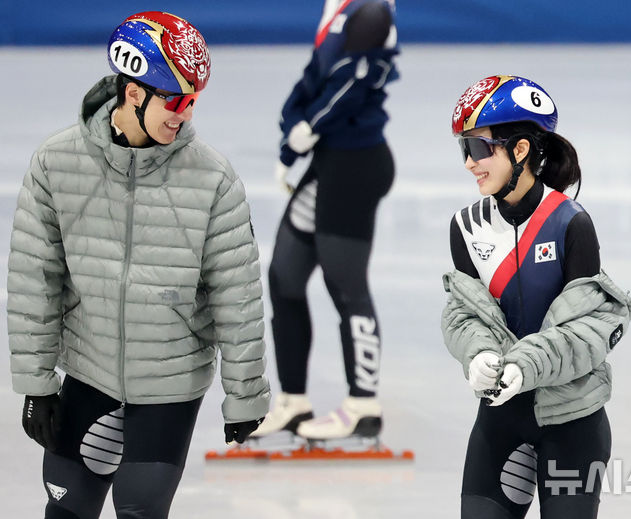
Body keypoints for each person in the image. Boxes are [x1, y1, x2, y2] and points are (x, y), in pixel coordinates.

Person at [7, 11, 269, 518]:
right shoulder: (56, 163)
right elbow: (33, 278)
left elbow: (237, 294)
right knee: (66, 508)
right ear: (133, 93)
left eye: (193, 102)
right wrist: (37, 383)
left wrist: (245, 395)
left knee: (141, 511)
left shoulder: (213, 179)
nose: (184, 115)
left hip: (170, 387)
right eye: (176, 101)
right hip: (87, 375)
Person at [441, 75, 631, 518]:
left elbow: (589, 331)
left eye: (477, 148)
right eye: (463, 149)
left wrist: (525, 365)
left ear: (520, 150)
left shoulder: (570, 223)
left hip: (572, 423)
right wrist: (477, 353)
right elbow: (464, 315)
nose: (469, 163)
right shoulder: (466, 227)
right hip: (501, 421)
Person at [252, 0, 399, 441]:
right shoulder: (338, 6)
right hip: (327, 164)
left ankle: (363, 406)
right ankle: (293, 402)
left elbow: (350, 83)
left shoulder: (373, 11)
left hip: (355, 169)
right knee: (285, 276)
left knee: (346, 286)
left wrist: (307, 128)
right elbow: (314, 75)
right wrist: (291, 134)